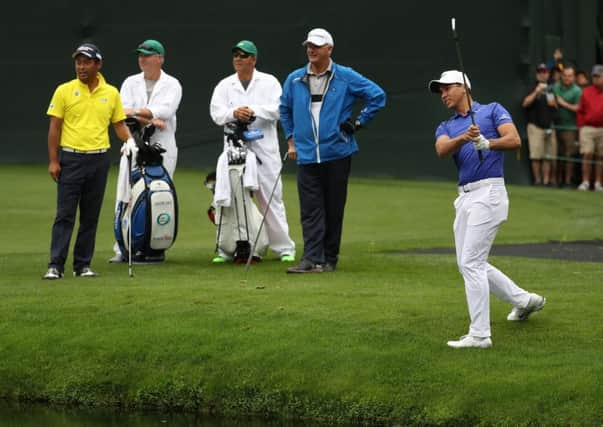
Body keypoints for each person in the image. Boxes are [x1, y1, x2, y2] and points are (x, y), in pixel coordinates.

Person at [428, 70, 546, 349]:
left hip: (490, 192)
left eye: (447, 88)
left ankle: (480, 335)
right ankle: (525, 301)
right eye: (440, 91)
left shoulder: (492, 110)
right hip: (465, 198)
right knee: (470, 263)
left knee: (471, 263)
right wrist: (465, 138)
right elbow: (442, 149)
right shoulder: (446, 125)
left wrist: (487, 142)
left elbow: (514, 140)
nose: (443, 94)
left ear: (463, 87)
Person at [280, 28, 385, 273]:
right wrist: (291, 141)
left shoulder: (345, 75)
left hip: (338, 152)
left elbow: (377, 96)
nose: (311, 50)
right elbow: (284, 109)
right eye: (308, 45)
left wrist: (358, 122)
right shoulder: (295, 79)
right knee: (310, 209)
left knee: (333, 208)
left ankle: (329, 258)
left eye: (316, 46)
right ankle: (311, 258)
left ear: (329, 49)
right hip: (306, 155)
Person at [43, 43, 135, 280]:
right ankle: (56, 265)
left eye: (86, 62)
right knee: (65, 215)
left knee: (90, 216)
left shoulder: (111, 93)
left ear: (98, 64)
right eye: (78, 62)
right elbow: (55, 128)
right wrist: (54, 161)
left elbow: (119, 125)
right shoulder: (64, 90)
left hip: (99, 160)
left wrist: (130, 141)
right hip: (71, 158)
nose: (81, 67)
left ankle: (82, 265)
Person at [209, 40, 295, 262]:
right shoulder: (224, 85)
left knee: (270, 197)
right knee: (230, 197)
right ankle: (227, 248)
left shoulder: (269, 82)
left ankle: (283, 248)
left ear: (253, 59)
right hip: (234, 148)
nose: (238, 58)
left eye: (244, 55)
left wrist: (253, 111)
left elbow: (279, 108)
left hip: (264, 148)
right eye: (235, 54)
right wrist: (234, 113)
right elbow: (217, 113)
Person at [109, 39, 183, 263]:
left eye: (147, 55)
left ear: (159, 58)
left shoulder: (172, 84)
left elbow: (165, 111)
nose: (142, 59)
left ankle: (155, 246)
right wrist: (148, 116)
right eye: (140, 55)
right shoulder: (130, 82)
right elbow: (121, 112)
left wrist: (140, 114)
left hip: (162, 148)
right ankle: (123, 247)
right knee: (126, 194)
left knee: (160, 195)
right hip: (133, 143)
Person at [522, 63, 559, 186]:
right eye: (540, 72)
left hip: (549, 126)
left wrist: (553, 103)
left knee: (548, 156)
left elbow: (555, 107)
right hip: (535, 126)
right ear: (537, 74)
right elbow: (525, 104)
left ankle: (546, 181)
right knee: (536, 155)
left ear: (548, 74)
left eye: (545, 72)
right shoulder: (532, 87)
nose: (543, 74)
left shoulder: (551, 88)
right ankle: (538, 181)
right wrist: (536, 92)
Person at [552, 65, 582, 187]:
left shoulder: (577, 90)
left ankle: (568, 181)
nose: (567, 78)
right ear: (561, 76)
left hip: (570, 128)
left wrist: (562, 103)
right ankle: (556, 180)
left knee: (569, 156)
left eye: (570, 76)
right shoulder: (555, 87)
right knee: (557, 155)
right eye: (565, 75)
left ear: (574, 77)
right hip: (555, 126)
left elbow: (578, 108)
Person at [576, 64, 603, 191]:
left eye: (598, 76)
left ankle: (598, 183)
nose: (596, 79)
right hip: (587, 128)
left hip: (602, 128)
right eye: (594, 76)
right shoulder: (586, 92)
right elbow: (580, 111)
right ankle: (585, 182)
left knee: (600, 156)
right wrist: (581, 126)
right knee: (587, 154)